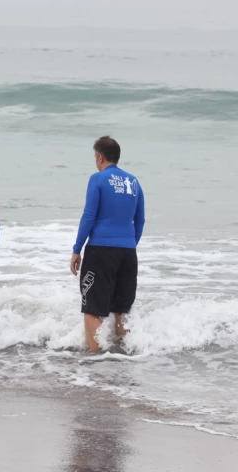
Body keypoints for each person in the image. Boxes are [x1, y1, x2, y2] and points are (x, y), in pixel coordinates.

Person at [70, 136, 145, 352]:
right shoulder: (133, 182)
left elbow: (89, 216)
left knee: (93, 308)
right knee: (122, 309)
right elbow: (139, 221)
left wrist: (77, 249)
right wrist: (129, 244)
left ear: (100, 157)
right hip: (128, 252)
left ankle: (97, 361)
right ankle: (123, 357)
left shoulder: (98, 179)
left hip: (101, 251)